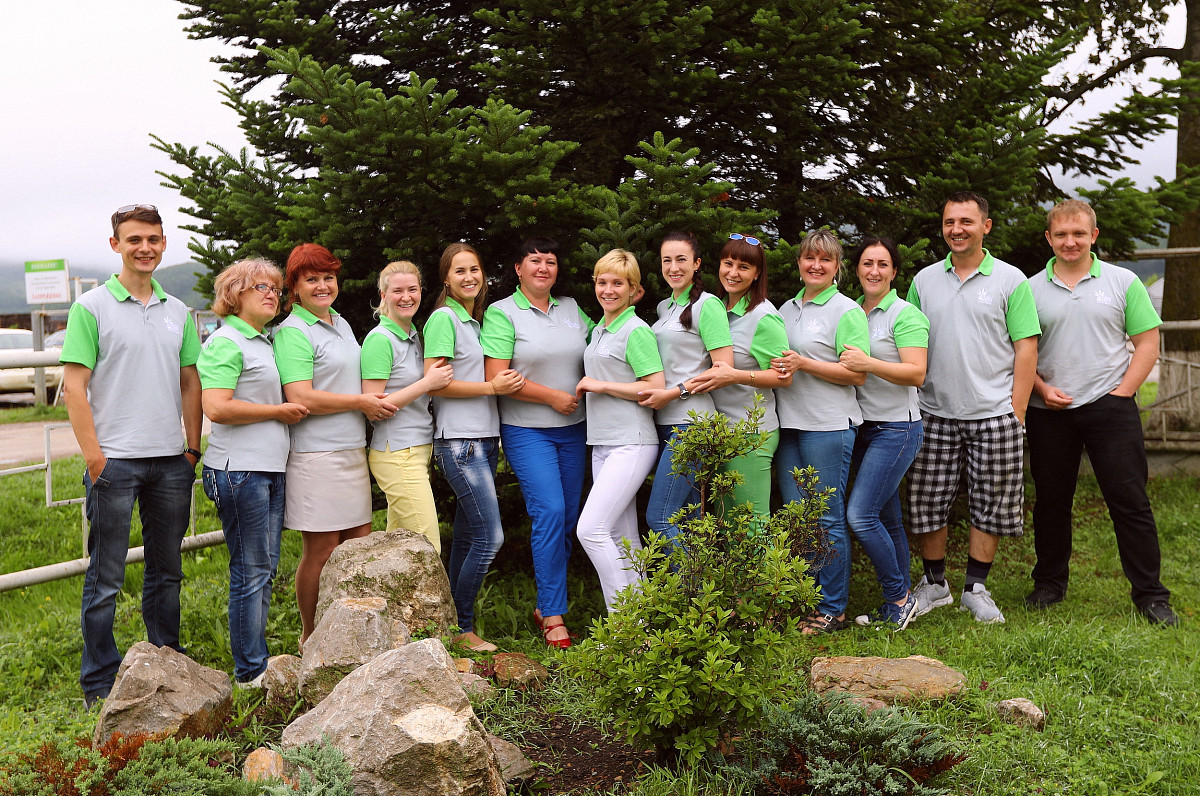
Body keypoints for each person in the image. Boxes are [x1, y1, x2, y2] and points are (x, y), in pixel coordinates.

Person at [60, 204, 203, 706]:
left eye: (154, 239)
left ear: (163, 243)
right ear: (115, 244)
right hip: (114, 464)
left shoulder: (177, 311)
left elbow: (190, 381)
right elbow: (74, 387)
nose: (145, 248)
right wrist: (95, 460)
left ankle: (167, 662)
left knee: (168, 572)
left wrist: (192, 449)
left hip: (171, 462)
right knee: (106, 577)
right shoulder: (91, 308)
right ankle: (99, 682)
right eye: (135, 239)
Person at [1024, 200, 1177, 625]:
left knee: (1130, 502)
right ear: (1049, 238)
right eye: (1061, 234)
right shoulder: (1029, 290)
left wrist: (1122, 393)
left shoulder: (1122, 281)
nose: (1069, 241)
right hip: (1049, 410)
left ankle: (1151, 595)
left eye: (1078, 233)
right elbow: (1018, 352)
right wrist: (1041, 388)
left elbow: (1147, 343)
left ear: (1093, 235)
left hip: (1111, 408)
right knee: (1051, 502)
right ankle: (1049, 584)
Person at [905, 192, 1041, 624]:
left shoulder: (1011, 280)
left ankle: (976, 589)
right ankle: (935, 585)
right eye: (950, 222)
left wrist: (1017, 412)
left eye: (966, 221)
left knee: (992, 504)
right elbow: (907, 342)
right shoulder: (924, 281)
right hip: (933, 411)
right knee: (927, 502)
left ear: (986, 226)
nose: (957, 229)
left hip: (994, 413)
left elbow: (1026, 348)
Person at [274, 243, 396, 647]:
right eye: (311, 279)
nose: (322, 285)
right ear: (295, 286)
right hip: (316, 454)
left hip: (350, 448)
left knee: (359, 545)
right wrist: (360, 402)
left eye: (328, 277)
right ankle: (310, 637)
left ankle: (351, 636)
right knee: (323, 550)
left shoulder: (340, 322)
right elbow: (301, 397)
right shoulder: (293, 332)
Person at [198, 258, 309, 685]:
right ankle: (250, 672)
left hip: (267, 468)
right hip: (239, 470)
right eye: (261, 287)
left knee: (265, 568)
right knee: (251, 571)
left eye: (276, 290)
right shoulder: (227, 342)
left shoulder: (264, 341)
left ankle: (256, 662)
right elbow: (216, 407)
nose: (272, 295)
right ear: (235, 294)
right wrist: (277, 411)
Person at [482, 237, 593, 648]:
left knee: (567, 518)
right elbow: (498, 377)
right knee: (549, 512)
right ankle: (553, 614)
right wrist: (551, 397)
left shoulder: (571, 308)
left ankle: (548, 603)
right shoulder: (502, 313)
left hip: (574, 429)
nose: (543, 268)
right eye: (534, 261)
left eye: (550, 261)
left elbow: (605, 341)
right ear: (518, 268)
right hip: (527, 430)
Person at [424, 243, 525, 653]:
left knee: (468, 537)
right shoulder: (444, 319)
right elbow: (434, 382)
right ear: (446, 279)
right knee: (490, 537)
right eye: (459, 271)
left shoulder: (474, 322)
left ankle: (451, 624)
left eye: (475, 269)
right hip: (459, 441)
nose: (469, 277)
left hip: (482, 440)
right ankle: (462, 627)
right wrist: (491, 387)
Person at [772, 229, 869, 635]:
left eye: (825, 259)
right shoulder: (786, 309)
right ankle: (807, 599)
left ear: (837, 267)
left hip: (827, 426)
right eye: (809, 257)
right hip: (789, 425)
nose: (816, 265)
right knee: (800, 518)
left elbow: (857, 374)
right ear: (799, 262)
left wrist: (804, 363)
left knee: (826, 519)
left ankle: (832, 609)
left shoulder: (846, 311)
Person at [838, 238, 928, 630]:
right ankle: (900, 600)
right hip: (861, 427)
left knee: (860, 515)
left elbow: (916, 372)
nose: (874, 271)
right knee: (887, 518)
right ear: (857, 269)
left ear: (894, 272)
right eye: (867, 263)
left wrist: (868, 363)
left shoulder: (904, 315)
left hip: (897, 428)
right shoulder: (850, 310)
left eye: (882, 264)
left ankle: (899, 599)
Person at [575, 249, 665, 610]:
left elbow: (654, 387)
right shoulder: (600, 329)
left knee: (591, 530)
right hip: (602, 443)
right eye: (602, 282)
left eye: (618, 283)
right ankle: (639, 624)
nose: (608, 290)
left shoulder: (635, 330)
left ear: (633, 290)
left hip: (632, 442)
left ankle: (622, 622)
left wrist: (601, 386)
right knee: (622, 536)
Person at [638, 231, 733, 542]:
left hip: (692, 424)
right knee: (690, 521)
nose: (673, 267)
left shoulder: (709, 305)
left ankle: (698, 577)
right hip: (664, 423)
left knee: (660, 517)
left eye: (681, 259)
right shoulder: (665, 307)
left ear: (697, 263)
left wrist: (673, 392)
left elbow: (723, 369)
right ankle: (698, 574)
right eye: (667, 260)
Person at [689, 233, 790, 518]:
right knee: (730, 523)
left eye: (743, 267)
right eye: (728, 264)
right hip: (721, 433)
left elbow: (784, 377)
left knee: (752, 523)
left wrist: (736, 376)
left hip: (751, 433)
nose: (733, 273)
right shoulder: (716, 308)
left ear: (757, 273)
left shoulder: (764, 317)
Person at [361, 261, 454, 552]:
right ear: (383, 295)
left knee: (399, 552)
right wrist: (427, 383)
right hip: (397, 454)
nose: (406, 297)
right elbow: (374, 406)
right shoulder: (380, 339)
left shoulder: (413, 336)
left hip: (416, 450)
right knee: (428, 548)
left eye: (412, 289)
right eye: (397, 291)